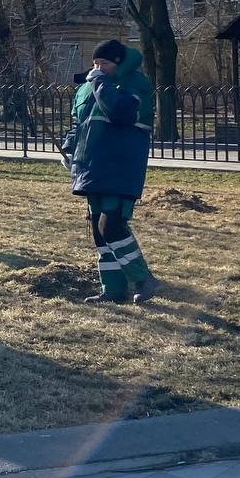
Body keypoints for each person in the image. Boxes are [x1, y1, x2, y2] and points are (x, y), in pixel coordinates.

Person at [61, 39, 160, 304]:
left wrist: (99, 83)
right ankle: (114, 291)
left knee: (112, 227)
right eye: (95, 64)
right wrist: (70, 149)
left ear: (118, 63)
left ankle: (143, 279)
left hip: (121, 166)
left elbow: (121, 112)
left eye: (103, 64)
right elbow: (79, 123)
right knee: (98, 230)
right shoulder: (88, 88)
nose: (97, 69)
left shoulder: (135, 84)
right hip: (92, 167)